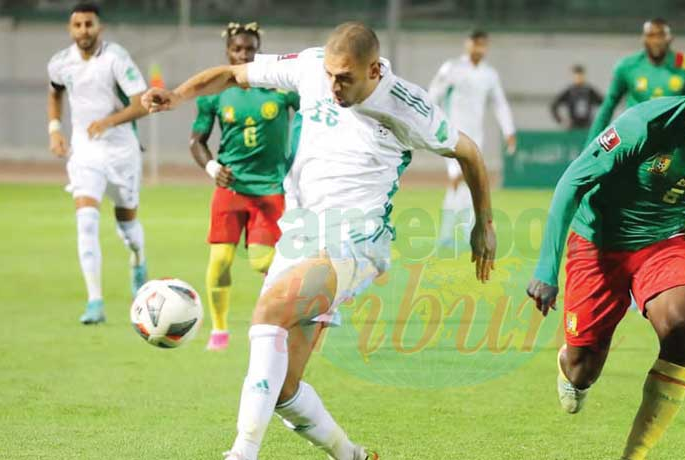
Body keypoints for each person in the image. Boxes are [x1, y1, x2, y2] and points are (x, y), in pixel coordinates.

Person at [142, 22, 496, 460]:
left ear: (373, 71)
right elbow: (234, 74)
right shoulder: (312, 67)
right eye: (330, 74)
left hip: (356, 244)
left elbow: (470, 153)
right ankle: (352, 455)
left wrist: (485, 223)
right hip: (299, 233)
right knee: (285, 388)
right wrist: (177, 95)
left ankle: (241, 453)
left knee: (268, 310)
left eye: (345, 78)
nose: (333, 85)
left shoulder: (408, 105)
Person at [526, 60, 685, 460]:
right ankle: (570, 361)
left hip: (663, 243)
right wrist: (545, 268)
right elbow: (573, 181)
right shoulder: (646, 123)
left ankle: (634, 454)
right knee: (581, 371)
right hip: (598, 243)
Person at [190, 22, 301, 351]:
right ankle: (219, 331)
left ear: (259, 50)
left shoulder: (281, 89)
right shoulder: (216, 93)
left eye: (249, 49)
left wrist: (296, 160)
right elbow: (197, 140)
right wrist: (212, 167)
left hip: (269, 189)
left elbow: (311, 115)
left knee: (262, 262)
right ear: (227, 51)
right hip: (231, 189)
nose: (243, 54)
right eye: (237, 49)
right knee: (220, 260)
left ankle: (286, 314)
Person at [47, 2, 150, 324]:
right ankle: (95, 301)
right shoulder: (61, 63)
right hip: (85, 152)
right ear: (70, 29)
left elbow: (143, 103)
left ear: (99, 28)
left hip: (121, 152)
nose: (83, 31)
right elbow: (54, 92)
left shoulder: (116, 58)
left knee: (127, 226)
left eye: (89, 25)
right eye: (77, 26)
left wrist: (109, 122)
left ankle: (138, 260)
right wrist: (55, 130)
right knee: (86, 221)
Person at [428, 29, 515, 249]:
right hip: (451, 134)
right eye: (476, 44)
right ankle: (448, 234)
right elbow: (432, 95)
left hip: (476, 137)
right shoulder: (452, 68)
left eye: (483, 45)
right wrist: (430, 124)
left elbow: (499, 103)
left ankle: (461, 232)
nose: (479, 49)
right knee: (457, 179)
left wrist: (509, 130)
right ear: (467, 45)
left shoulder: (489, 74)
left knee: (471, 181)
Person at [586, 18, 685, 141]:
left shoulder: (684, 67)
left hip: (669, 142)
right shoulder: (627, 66)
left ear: (670, 38)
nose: (656, 41)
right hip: (634, 139)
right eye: (651, 35)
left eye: (661, 35)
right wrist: (590, 145)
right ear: (643, 39)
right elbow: (608, 106)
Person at [550, 65, 603, 130]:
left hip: (587, 126)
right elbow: (554, 105)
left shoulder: (589, 91)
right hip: (573, 126)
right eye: (577, 75)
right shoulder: (569, 91)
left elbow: (604, 103)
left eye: (581, 75)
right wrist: (560, 120)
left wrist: (599, 121)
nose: (579, 77)